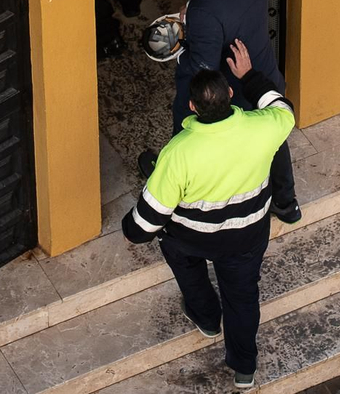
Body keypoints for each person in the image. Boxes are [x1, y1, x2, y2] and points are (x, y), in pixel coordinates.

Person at [122, 40, 294, 390]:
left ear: (191, 107)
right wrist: (250, 76)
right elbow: (282, 108)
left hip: (191, 240)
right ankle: (244, 368)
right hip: (247, 237)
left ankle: (206, 319)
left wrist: (132, 226)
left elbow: (144, 225)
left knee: (183, 262)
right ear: (230, 93)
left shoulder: (178, 154)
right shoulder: (264, 127)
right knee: (243, 299)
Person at [139, 0, 300, 223]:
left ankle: (170, 181)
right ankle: (286, 203)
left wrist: (183, 43)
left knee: (185, 120)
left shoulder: (205, 9)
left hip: (234, 88)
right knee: (275, 139)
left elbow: (203, 67)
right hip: (263, 71)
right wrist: (196, 13)